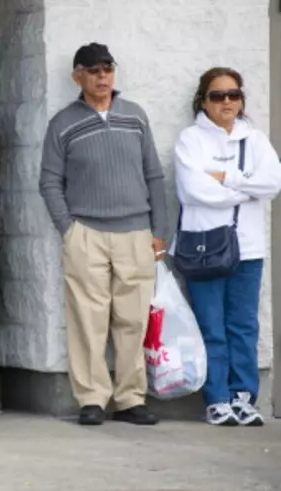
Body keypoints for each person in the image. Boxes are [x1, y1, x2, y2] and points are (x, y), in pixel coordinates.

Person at [38, 42, 168, 427]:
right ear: (77, 75)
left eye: (107, 68)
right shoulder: (63, 123)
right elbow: (49, 182)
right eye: (93, 70)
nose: (102, 76)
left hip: (135, 232)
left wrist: (159, 230)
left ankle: (130, 399)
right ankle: (91, 399)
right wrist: (68, 228)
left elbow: (154, 176)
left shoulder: (136, 116)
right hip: (86, 233)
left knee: (132, 320)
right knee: (87, 321)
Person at [172, 67, 281, 427]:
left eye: (233, 94)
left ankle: (243, 397)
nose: (227, 102)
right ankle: (217, 398)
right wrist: (248, 188)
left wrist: (227, 178)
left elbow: (274, 183)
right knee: (211, 326)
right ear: (203, 100)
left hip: (248, 249)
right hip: (204, 245)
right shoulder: (191, 139)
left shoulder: (256, 140)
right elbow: (194, 190)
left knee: (243, 326)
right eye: (218, 95)